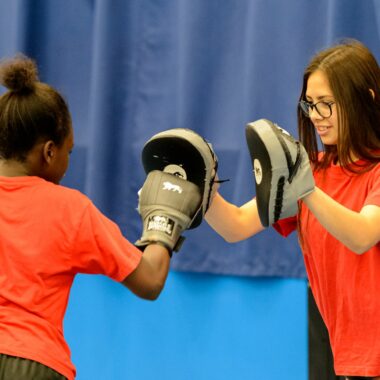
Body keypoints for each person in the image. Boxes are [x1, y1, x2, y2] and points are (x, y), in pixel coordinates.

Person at [0, 55, 202, 380]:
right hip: (31, 363)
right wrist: (165, 219)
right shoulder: (68, 209)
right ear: (49, 151)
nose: (67, 160)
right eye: (69, 151)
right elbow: (149, 281)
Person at [205, 39, 380, 380]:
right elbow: (236, 226)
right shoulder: (312, 172)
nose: (315, 116)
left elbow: (362, 235)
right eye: (310, 104)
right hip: (342, 355)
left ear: (366, 99)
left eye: (327, 104)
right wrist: (204, 191)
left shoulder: (368, 173)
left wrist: (306, 189)